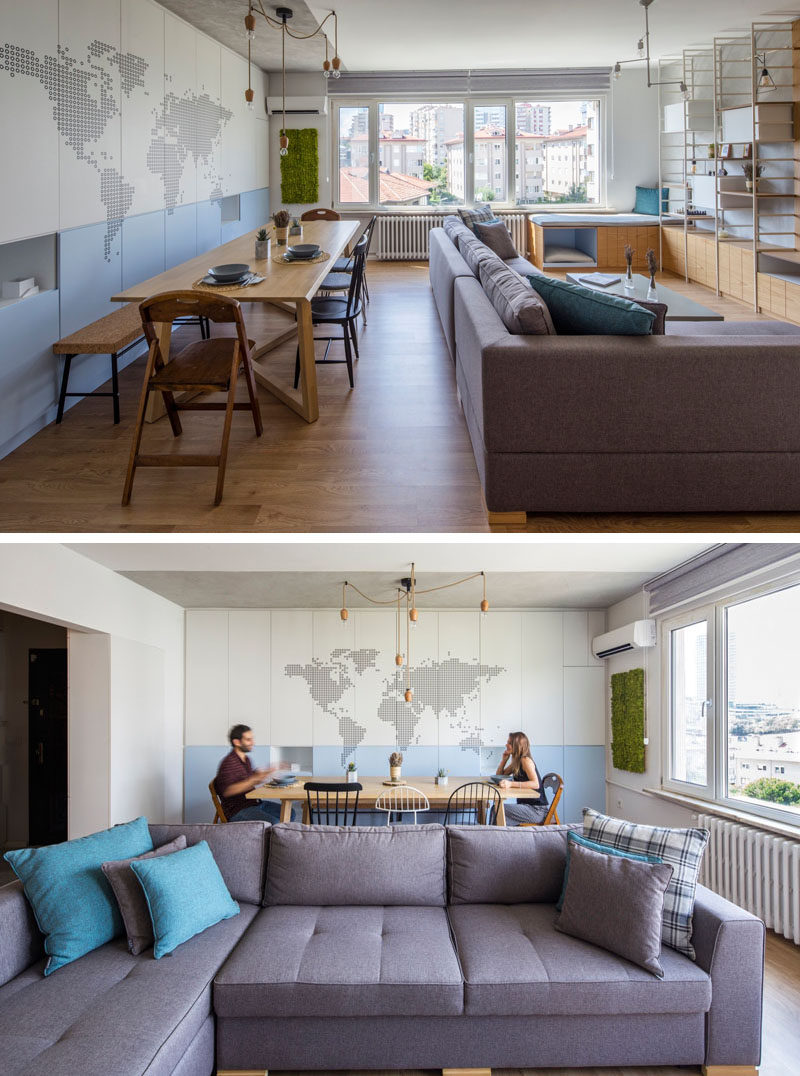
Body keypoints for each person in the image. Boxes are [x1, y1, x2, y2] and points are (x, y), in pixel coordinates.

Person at [215, 724, 297, 823]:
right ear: (237, 742)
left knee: (290, 813)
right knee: (274, 822)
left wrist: (270, 770)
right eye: (248, 739)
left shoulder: (246, 759)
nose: (253, 742)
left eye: (252, 739)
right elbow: (228, 791)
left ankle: (276, 835)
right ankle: (272, 836)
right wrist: (253, 780)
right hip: (238, 810)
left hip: (255, 803)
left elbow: (253, 777)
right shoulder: (229, 763)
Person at [496, 731, 549, 825]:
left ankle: (497, 836)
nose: (506, 744)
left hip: (536, 811)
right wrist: (503, 760)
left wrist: (511, 784)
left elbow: (535, 784)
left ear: (517, 746)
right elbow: (500, 776)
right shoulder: (516, 762)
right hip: (526, 807)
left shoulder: (525, 760)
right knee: (497, 809)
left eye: (509, 743)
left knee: (497, 809)